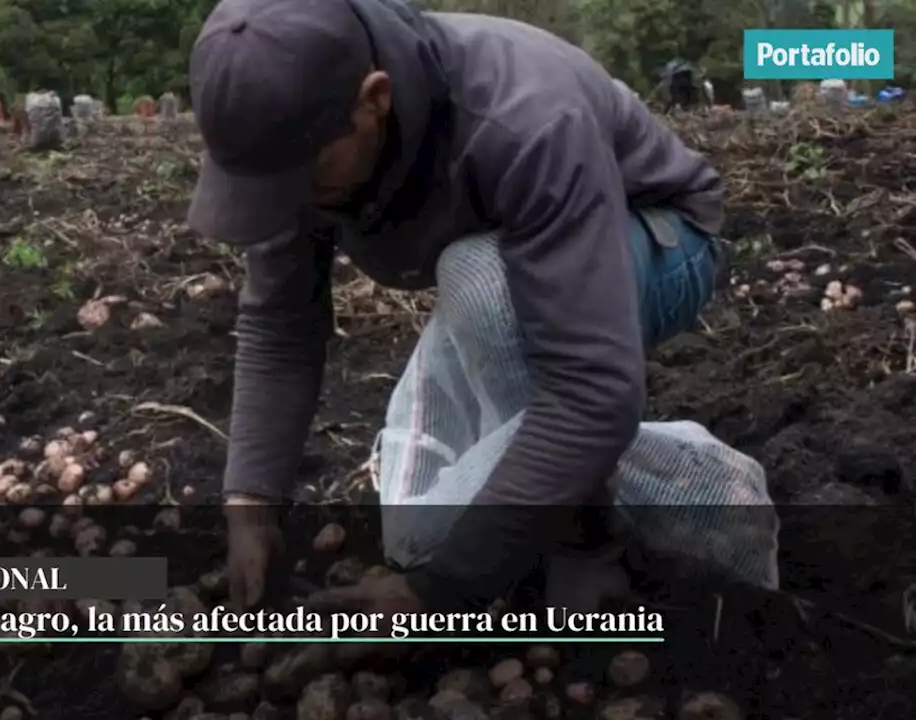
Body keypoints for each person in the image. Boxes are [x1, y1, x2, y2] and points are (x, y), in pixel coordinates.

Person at [188, 0, 762, 618]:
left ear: (374, 99)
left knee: (481, 281)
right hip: (524, 265)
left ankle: (590, 539)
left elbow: (590, 386)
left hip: (662, 239)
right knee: (418, 534)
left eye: (305, 175)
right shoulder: (291, 131)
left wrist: (438, 593)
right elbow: (280, 324)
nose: (292, 199)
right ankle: (543, 490)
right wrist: (250, 505)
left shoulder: (525, 118)